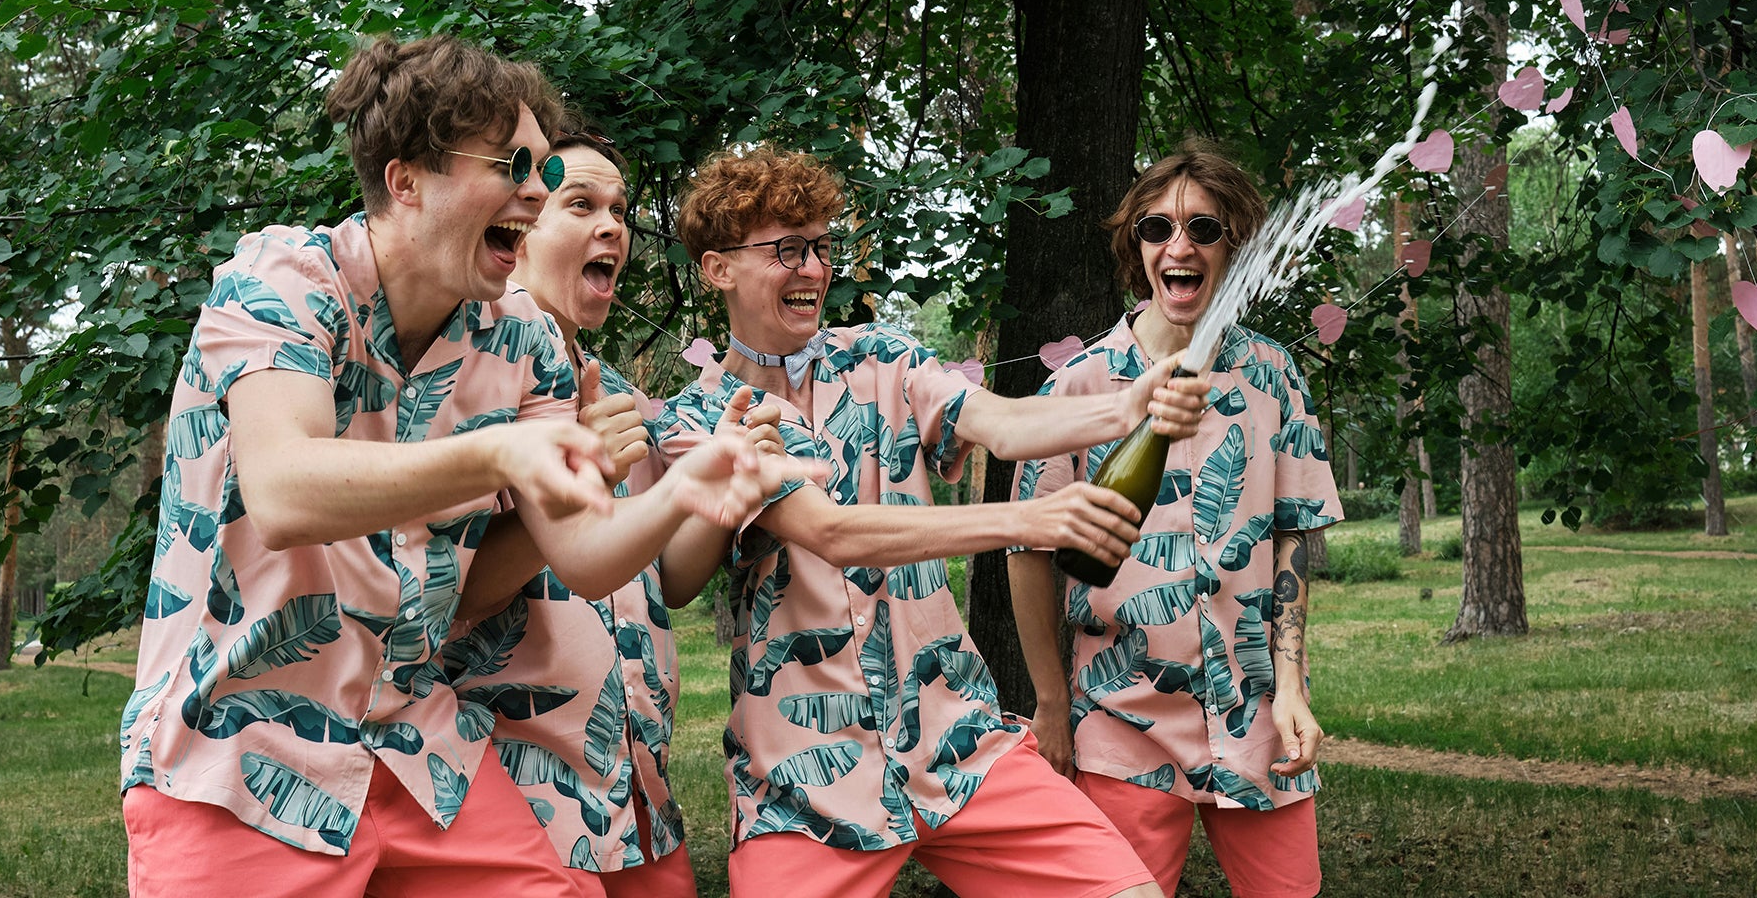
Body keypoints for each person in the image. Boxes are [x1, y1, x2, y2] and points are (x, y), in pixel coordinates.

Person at [116, 37, 811, 898]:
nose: (536, 189)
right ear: (406, 180)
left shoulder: (520, 343)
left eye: (543, 169)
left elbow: (586, 554)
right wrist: (492, 452)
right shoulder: (284, 283)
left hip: (416, 748)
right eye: (513, 163)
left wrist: (683, 493)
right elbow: (283, 487)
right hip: (239, 749)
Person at [651, 145, 1211, 898]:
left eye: (822, 246)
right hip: (807, 777)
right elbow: (834, 532)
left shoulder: (883, 356)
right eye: (787, 250)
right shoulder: (701, 421)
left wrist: (1126, 406)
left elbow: (1003, 424)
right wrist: (1032, 515)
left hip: (958, 743)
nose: (814, 269)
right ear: (719, 268)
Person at [448, 127, 778, 897]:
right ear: (520, 224)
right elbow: (454, 593)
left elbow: (666, 582)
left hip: (639, 794)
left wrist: (712, 484)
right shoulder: (471, 380)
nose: (612, 226)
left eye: (621, 210)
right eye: (581, 204)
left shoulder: (617, 392)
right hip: (523, 792)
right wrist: (565, 481)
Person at [1008, 142, 1342, 898]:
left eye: (1204, 229)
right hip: (1121, 720)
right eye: (1157, 229)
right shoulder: (1076, 388)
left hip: (1258, 717)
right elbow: (1026, 552)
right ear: (1137, 247)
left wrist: (1290, 689)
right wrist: (1053, 705)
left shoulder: (1272, 375)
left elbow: (1292, 533)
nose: (1178, 246)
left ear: (1234, 246)